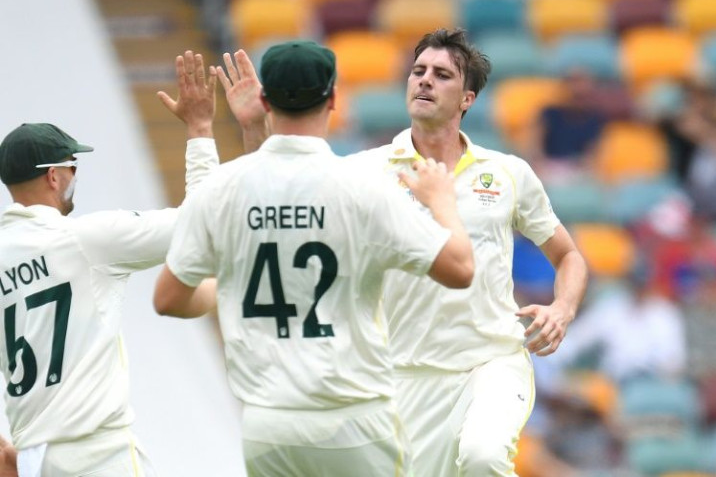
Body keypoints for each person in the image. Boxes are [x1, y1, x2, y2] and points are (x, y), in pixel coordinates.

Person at [228, 28, 589, 476]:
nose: (424, 81)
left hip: (490, 360)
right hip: (402, 375)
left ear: (467, 99)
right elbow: (279, 204)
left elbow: (568, 256)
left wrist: (563, 308)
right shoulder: (362, 171)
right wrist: (253, 129)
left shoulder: (508, 172)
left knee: (483, 457)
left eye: (441, 75)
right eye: (418, 71)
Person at [152, 40, 475, 476]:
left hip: (268, 425)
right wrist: (443, 201)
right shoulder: (364, 186)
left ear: (265, 101)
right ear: (334, 99)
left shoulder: (221, 187)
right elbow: (459, 270)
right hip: (353, 419)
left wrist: (230, 287)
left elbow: (168, 299)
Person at [0, 51, 219, 477]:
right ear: (53, 177)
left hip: (32, 459)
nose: (74, 175)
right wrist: (200, 128)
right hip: (98, 454)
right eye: (72, 165)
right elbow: (205, 220)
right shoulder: (84, 240)